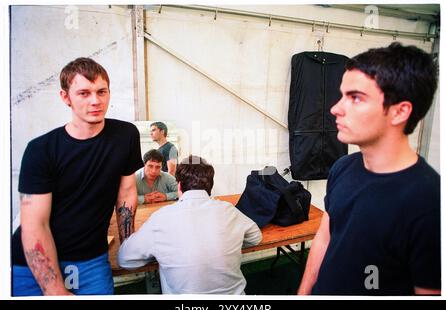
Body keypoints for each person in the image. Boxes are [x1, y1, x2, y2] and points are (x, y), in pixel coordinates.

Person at [297, 42, 440, 296]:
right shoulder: (342, 167)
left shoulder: (430, 203)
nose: (335, 109)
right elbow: (325, 237)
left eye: (355, 98)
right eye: (342, 95)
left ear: (399, 112)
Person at [12, 57, 144, 296]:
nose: (96, 101)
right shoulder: (41, 149)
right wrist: (55, 291)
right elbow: (34, 224)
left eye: (101, 91)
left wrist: (128, 246)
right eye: (84, 93)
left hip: (91, 259)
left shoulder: (126, 136)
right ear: (66, 97)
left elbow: (126, 192)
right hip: (32, 265)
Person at [118, 155, 262, 294]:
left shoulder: (161, 218)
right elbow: (256, 237)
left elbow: (125, 258)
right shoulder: (228, 210)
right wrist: (227, 243)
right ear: (210, 186)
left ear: (179, 186)